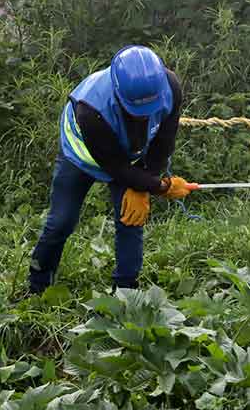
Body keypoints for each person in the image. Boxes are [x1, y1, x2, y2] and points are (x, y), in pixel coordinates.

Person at [27, 45, 194, 295]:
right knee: (61, 222)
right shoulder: (90, 109)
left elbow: (164, 140)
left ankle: (125, 292)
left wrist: (148, 179)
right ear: (118, 94)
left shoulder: (170, 86)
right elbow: (115, 166)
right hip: (82, 157)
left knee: (131, 220)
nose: (142, 117)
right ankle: (37, 287)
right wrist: (158, 187)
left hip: (133, 154)